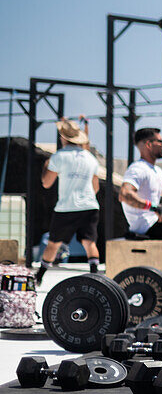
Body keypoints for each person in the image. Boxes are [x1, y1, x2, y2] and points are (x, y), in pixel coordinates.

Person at [37, 118, 100, 284]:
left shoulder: (58, 157)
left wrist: (46, 165)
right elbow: (96, 188)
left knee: (53, 244)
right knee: (89, 243)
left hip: (66, 207)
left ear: (63, 137)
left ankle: (39, 277)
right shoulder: (91, 158)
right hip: (89, 205)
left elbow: (46, 183)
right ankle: (96, 276)